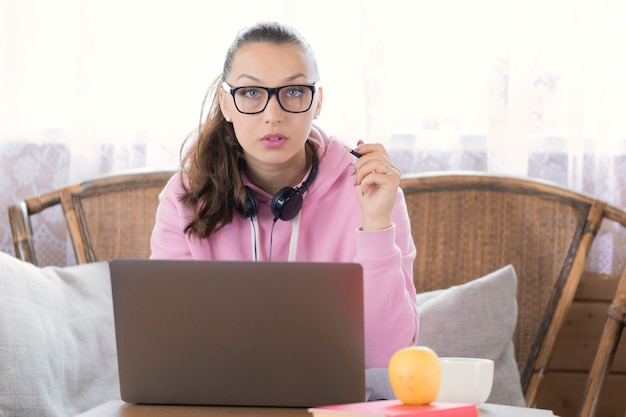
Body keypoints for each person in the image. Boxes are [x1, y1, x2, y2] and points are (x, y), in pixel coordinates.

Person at [150, 21, 418, 369]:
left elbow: (389, 362)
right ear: (226, 103)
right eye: (250, 93)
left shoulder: (371, 191)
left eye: (293, 92)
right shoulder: (185, 197)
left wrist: (377, 225)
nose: (272, 116)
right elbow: (167, 348)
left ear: (317, 101)